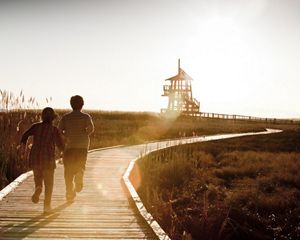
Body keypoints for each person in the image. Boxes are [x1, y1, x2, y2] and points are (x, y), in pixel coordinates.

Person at [20, 107, 64, 213]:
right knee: (49, 184)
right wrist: (63, 153)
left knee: (38, 177)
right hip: (48, 158)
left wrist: (23, 146)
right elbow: (60, 145)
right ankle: (47, 207)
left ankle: (38, 187)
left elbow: (25, 135)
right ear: (53, 118)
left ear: (42, 116)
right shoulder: (54, 130)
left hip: (35, 157)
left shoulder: (36, 127)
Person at [58, 95, 94, 202]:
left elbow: (59, 131)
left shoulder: (65, 117)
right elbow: (91, 129)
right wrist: (84, 132)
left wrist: (65, 135)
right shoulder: (86, 117)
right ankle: (79, 173)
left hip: (69, 147)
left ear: (71, 104)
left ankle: (69, 192)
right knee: (81, 164)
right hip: (82, 146)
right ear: (82, 105)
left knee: (68, 171)